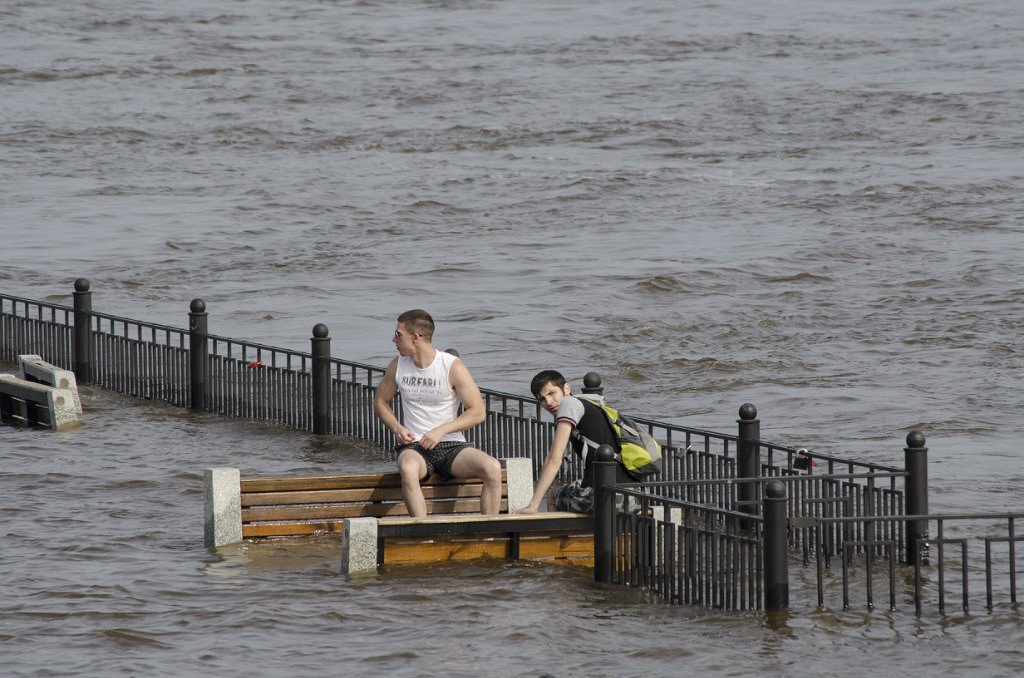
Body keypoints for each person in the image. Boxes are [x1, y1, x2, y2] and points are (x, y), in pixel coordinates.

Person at [373, 309, 503, 517]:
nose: (393, 339)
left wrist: (441, 431)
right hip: (415, 446)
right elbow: (380, 402)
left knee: (493, 468)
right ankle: (423, 534)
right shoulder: (398, 365)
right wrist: (396, 427)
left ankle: (489, 534)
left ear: (416, 337)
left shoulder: (451, 366)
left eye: (398, 335)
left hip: (452, 445)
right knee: (407, 468)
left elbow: (478, 412)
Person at [518, 369, 631, 514]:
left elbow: (554, 459)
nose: (549, 402)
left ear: (566, 388)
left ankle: (560, 536)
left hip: (608, 497)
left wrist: (533, 505)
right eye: (542, 399)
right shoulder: (588, 404)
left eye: (551, 393)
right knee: (569, 489)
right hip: (634, 495)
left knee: (554, 494)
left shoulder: (569, 405)